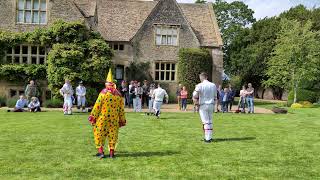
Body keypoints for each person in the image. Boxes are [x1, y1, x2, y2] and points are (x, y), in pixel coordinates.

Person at [88, 68, 126, 158]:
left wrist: (93, 116)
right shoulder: (119, 95)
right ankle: (112, 153)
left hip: (103, 118)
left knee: (99, 133)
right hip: (114, 120)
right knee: (113, 135)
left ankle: (101, 152)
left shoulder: (103, 93)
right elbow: (121, 109)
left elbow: (97, 106)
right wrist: (122, 120)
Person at [193, 72, 217, 143]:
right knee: (210, 121)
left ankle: (207, 139)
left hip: (203, 105)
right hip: (211, 104)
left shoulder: (199, 85)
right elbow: (215, 96)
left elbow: (194, 95)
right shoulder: (213, 85)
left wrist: (196, 102)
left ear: (202, 77)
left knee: (206, 122)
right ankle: (209, 137)